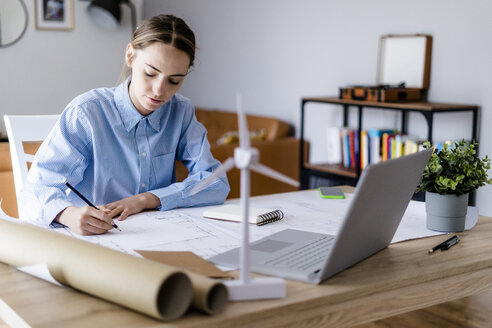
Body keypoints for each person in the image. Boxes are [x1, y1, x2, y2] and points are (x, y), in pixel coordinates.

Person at [20, 14, 230, 235]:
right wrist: (68, 214)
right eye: (150, 73)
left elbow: (216, 182)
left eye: (174, 80)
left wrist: (146, 199)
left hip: (159, 236)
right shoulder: (86, 113)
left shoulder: (180, 111)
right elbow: (34, 191)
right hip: (97, 241)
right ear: (130, 55)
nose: (159, 90)